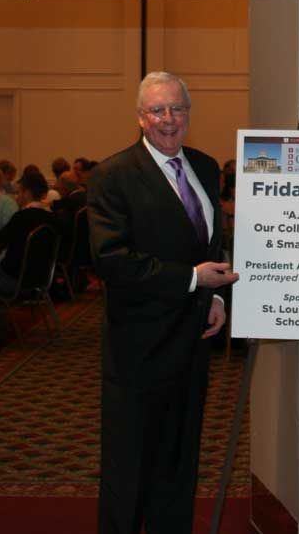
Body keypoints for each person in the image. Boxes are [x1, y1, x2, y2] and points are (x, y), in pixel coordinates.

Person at [87, 71, 236, 534]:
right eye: (158, 110)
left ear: (189, 114)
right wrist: (191, 280)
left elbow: (212, 243)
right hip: (139, 347)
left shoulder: (207, 167)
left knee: (180, 461)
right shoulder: (113, 175)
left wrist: (213, 296)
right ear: (140, 117)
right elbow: (111, 261)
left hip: (192, 341)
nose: (168, 119)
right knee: (129, 469)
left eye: (177, 109)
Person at [0, 171, 58, 297]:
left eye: (19, 192)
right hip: (41, 279)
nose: (17, 197)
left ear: (27, 193)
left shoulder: (21, 217)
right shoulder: (53, 219)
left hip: (15, 280)